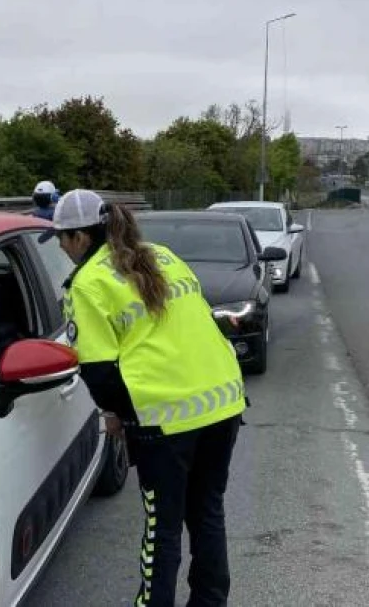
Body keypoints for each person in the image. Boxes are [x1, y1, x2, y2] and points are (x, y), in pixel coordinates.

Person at [45, 189, 245, 606]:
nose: (62, 248)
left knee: (163, 529)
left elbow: (98, 371)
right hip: (223, 401)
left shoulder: (88, 282)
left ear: (81, 237)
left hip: (166, 418)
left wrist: (119, 415)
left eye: (63, 239)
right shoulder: (161, 254)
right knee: (207, 512)